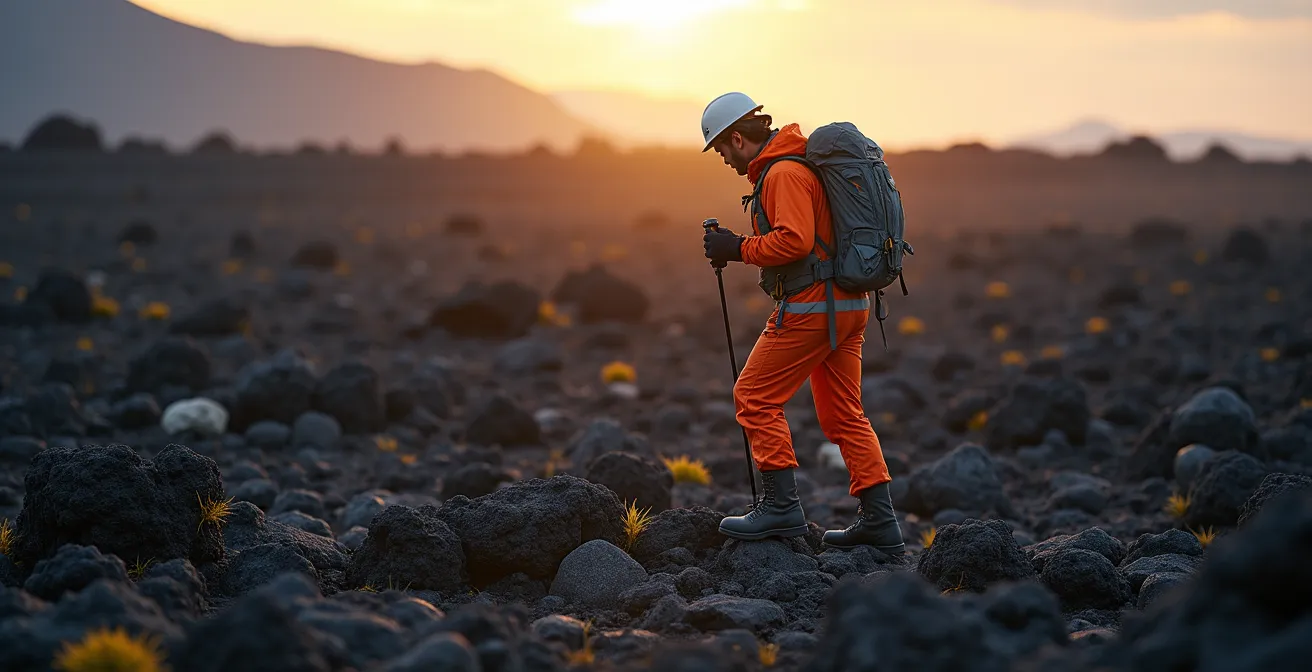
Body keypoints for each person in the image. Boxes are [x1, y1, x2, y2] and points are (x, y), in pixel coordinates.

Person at [699, 92, 904, 555]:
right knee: (844, 414)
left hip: (813, 307)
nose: (724, 160)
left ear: (737, 138)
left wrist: (738, 248)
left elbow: (794, 241)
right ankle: (880, 520)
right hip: (849, 305)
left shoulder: (783, 173)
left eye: (722, 149)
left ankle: (780, 506)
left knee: (753, 396)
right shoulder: (796, 166)